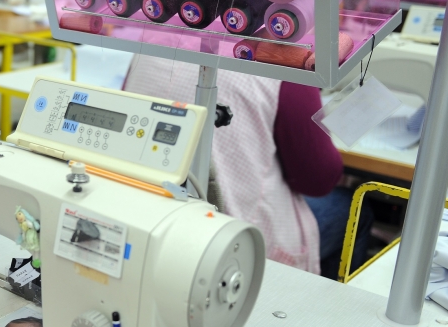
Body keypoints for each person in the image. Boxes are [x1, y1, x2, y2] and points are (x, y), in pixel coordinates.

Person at [123, 54, 372, 278]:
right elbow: (319, 179)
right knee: (355, 208)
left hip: (147, 224)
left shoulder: (147, 49)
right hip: (236, 244)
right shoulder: (286, 63)